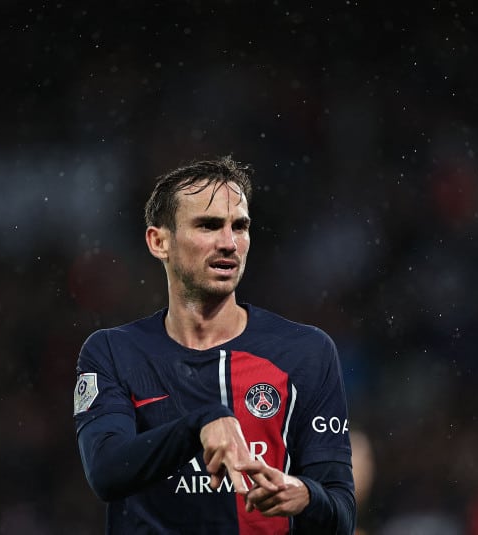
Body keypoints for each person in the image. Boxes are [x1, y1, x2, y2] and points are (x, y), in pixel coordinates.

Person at [74, 156, 356, 534]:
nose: (229, 243)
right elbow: (107, 472)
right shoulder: (114, 352)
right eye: (208, 225)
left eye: (239, 226)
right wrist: (201, 425)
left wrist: (307, 495)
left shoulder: (306, 352)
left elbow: (342, 513)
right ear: (159, 241)